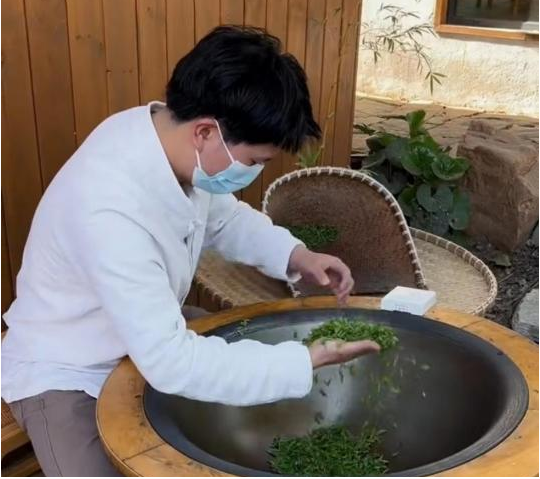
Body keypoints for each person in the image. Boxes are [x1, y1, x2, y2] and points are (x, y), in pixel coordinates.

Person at [1, 26, 380, 477]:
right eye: (255, 161)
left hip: (146, 329)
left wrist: (296, 256)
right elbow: (171, 362)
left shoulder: (168, 142)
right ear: (205, 131)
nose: (255, 172)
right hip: (71, 366)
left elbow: (224, 217)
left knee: (246, 356)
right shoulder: (109, 207)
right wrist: (304, 359)